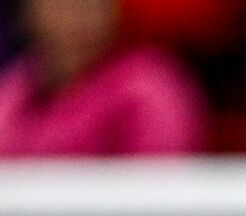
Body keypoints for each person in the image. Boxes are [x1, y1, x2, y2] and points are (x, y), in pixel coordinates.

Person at [0, 0, 205, 157]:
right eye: (63, 4)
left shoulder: (150, 91)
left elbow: (159, 197)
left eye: (92, 5)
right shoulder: (15, 86)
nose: (78, 18)